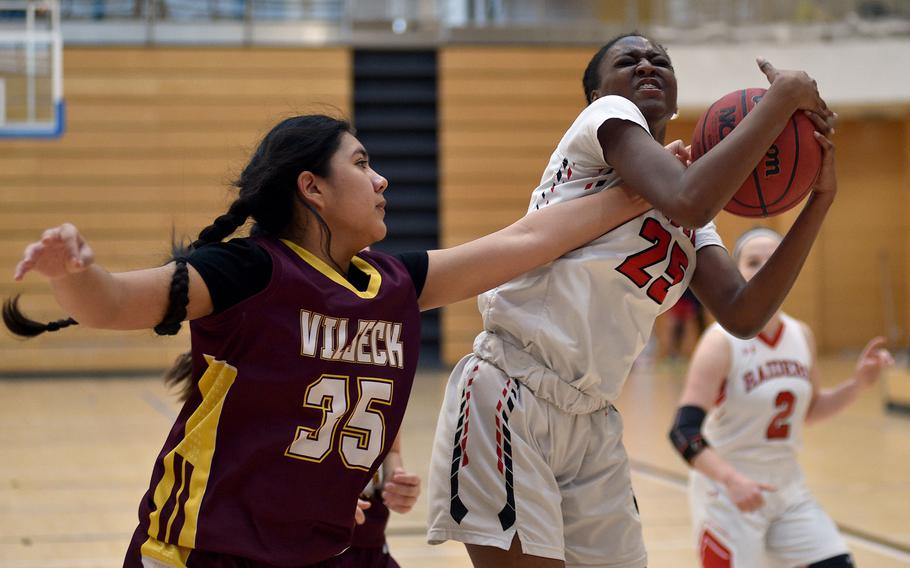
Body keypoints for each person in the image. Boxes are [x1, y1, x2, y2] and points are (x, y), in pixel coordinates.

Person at [3, 114, 654, 566]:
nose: (382, 181)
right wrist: (74, 274)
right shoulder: (250, 272)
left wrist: (640, 193)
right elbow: (115, 303)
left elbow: (525, 241)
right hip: (210, 552)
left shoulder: (393, 284)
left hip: (333, 552)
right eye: (362, 164)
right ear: (311, 188)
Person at [427, 32, 837, 568]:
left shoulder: (689, 208)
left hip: (592, 414)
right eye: (628, 60)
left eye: (660, 60)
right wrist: (781, 100)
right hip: (512, 389)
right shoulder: (609, 120)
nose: (647, 64)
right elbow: (690, 198)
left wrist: (821, 200)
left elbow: (744, 313)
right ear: (596, 95)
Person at [670, 228, 894, 568]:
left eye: (773, 261)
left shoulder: (801, 334)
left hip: (788, 490)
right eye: (752, 262)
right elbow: (684, 432)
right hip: (728, 493)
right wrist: (732, 480)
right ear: (736, 272)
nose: (762, 270)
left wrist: (858, 384)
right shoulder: (719, 342)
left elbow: (811, 410)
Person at [341, 433, 421, 567]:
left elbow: (391, 450)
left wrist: (395, 480)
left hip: (371, 537)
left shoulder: (394, 410)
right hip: (310, 543)